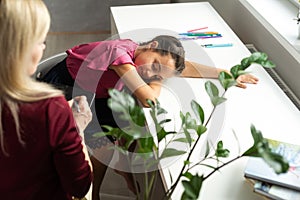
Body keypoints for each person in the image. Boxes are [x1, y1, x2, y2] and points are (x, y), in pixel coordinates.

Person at [39, 35, 258, 199]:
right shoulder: (121, 55)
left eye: (157, 74)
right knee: (106, 136)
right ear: (152, 46)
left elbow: (183, 67)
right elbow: (149, 100)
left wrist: (225, 73)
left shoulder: (141, 52)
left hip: (97, 91)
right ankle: (91, 193)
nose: (151, 74)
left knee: (126, 127)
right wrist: (158, 80)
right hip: (65, 87)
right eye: (154, 66)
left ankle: (121, 167)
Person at [0, 1, 93, 200]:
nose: (43, 47)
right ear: (20, 47)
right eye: (40, 40)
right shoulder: (50, 109)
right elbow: (80, 186)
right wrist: (77, 129)